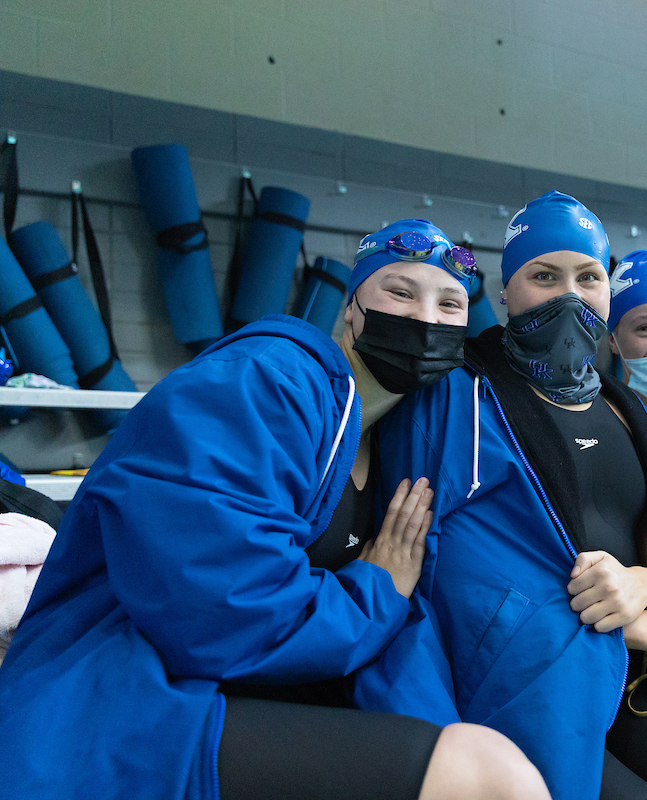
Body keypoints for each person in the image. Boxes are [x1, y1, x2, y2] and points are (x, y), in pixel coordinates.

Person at [0, 219, 549, 800]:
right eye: (400, 291)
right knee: (491, 779)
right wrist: (376, 594)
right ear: (351, 308)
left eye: (450, 302)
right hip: (129, 693)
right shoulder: (263, 380)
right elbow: (215, 605)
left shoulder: (403, 435)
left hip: (267, 676)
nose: (425, 318)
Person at [368, 191, 647, 800]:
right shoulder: (461, 400)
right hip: (535, 693)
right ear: (505, 293)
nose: (570, 295)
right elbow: (460, 594)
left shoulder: (621, 408)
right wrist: (642, 630)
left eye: (588, 276)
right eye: (544, 276)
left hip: (640, 687)